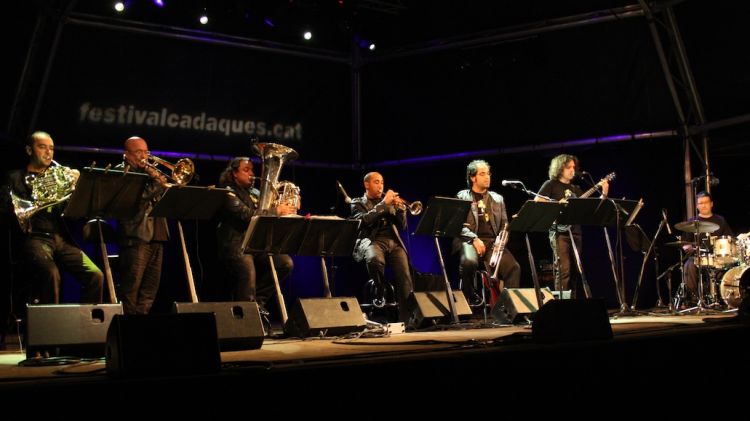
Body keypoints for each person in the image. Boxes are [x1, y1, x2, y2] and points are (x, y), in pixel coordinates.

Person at [2, 131, 103, 304]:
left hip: (60, 239)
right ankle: (52, 327)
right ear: (29, 150)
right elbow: (5, 208)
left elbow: (77, 213)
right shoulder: (15, 177)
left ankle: (86, 325)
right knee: (51, 273)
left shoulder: (60, 176)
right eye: (42, 147)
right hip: (33, 238)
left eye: (51, 149)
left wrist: (79, 188)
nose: (48, 153)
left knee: (95, 275)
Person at [215, 157, 296, 321]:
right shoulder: (226, 190)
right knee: (248, 274)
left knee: (285, 263)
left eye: (252, 170)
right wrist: (275, 211)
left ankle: (257, 303)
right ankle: (245, 321)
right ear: (234, 173)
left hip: (255, 244)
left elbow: (266, 214)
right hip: (236, 245)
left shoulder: (254, 192)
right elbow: (246, 215)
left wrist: (287, 205)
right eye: (246, 170)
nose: (252, 174)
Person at [536, 154, 608, 297]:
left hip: (575, 232)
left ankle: (572, 304)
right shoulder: (550, 185)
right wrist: (557, 203)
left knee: (575, 270)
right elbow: (537, 201)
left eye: (573, 167)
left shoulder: (576, 189)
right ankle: (561, 304)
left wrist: (604, 193)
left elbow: (590, 208)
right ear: (560, 168)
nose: (572, 170)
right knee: (564, 270)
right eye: (568, 167)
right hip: (559, 232)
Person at [114, 136, 169, 314]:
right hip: (135, 237)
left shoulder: (148, 173)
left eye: (146, 151)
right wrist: (157, 179)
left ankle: (141, 328)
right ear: (127, 154)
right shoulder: (122, 173)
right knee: (130, 290)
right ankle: (128, 330)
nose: (144, 156)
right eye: (138, 152)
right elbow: (137, 198)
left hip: (157, 236)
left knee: (149, 291)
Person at [454, 160, 520, 306]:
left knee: (514, 268)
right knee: (469, 262)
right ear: (473, 177)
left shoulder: (498, 199)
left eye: (488, 173)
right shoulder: (462, 197)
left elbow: (504, 224)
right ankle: (469, 297)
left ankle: (506, 308)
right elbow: (457, 225)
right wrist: (474, 238)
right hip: (469, 240)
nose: (487, 177)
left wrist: (502, 240)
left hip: (492, 244)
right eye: (482, 174)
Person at [351, 172, 414, 323]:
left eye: (382, 183)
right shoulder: (357, 202)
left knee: (405, 275)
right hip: (372, 241)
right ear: (367, 184)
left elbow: (403, 226)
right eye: (376, 182)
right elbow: (362, 221)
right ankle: (380, 289)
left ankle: (408, 320)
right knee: (374, 260)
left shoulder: (389, 203)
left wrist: (401, 210)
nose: (380, 186)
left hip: (393, 242)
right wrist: (383, 205)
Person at [682, 191, 733, 301]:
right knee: (688, 265)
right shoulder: (692, 222)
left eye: (706, 202)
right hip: (698, 257)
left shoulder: (720, 220)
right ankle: (695, 299)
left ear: (711, 204)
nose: (703, 205)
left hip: (718, 258)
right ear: (697, 206)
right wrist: (687, 247)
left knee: (729, 265)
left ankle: (723, 298)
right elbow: (685, 243)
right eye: (700, 203)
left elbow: (730, 238)